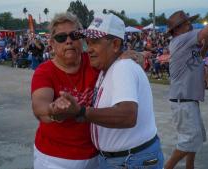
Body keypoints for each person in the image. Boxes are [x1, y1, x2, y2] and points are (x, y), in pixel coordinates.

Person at [51, 13, 164, 169]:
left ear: (116, 44)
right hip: (125, 159)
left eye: (95, 42)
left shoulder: (122, 68)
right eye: (88, 43)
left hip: (130, 161)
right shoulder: (108, 67)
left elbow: (127, 115)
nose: (89, 49)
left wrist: (82, 112)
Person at [31, 12, 139, 169]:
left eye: (74, 35)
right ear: (52, 44)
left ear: (81, 39)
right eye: (61, 38)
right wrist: (53, 109)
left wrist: (134, 56)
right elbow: (39, 106)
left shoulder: (94, 61)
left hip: (96, 156)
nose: (68, 41)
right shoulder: (45, 71)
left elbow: (114, 53)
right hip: (55, 158)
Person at [164, 10, 208, 169]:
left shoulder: (184, 43)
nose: (190, 25)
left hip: (187, 99)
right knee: (190, 140)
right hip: (183, 100)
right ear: (177, 29)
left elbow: (196, 59)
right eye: (186, 23)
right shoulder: (180, 40)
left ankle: (189, 167)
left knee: (193, 139)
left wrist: (206, 45)